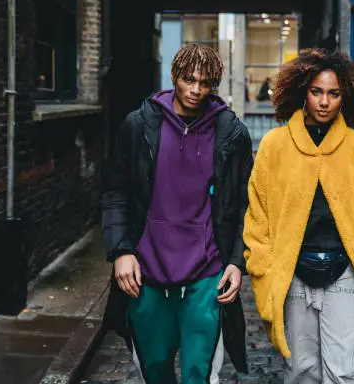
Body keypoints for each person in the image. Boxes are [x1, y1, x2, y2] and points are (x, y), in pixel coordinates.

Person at [243, 48, 354, 383]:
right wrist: (263, 267)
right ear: (303, 92)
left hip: (345, 276)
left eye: (333, 93)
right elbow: (259, 215)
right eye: (316, 92)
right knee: (301, 372)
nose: (324, 102)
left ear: (346, 97)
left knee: (342, 373)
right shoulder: (275, 146)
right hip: (293, 273)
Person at [102, 43, 252, 383]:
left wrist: (236, 261)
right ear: (175, 77)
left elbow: (244, 204)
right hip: (147, 269)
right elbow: (116, 193)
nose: (196, 90)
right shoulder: (138, 126)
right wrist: (121, 251)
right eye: (189, 79)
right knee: (154, 370)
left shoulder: (231, 133)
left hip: (207, 271)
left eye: (205, 82)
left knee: (198, 373)